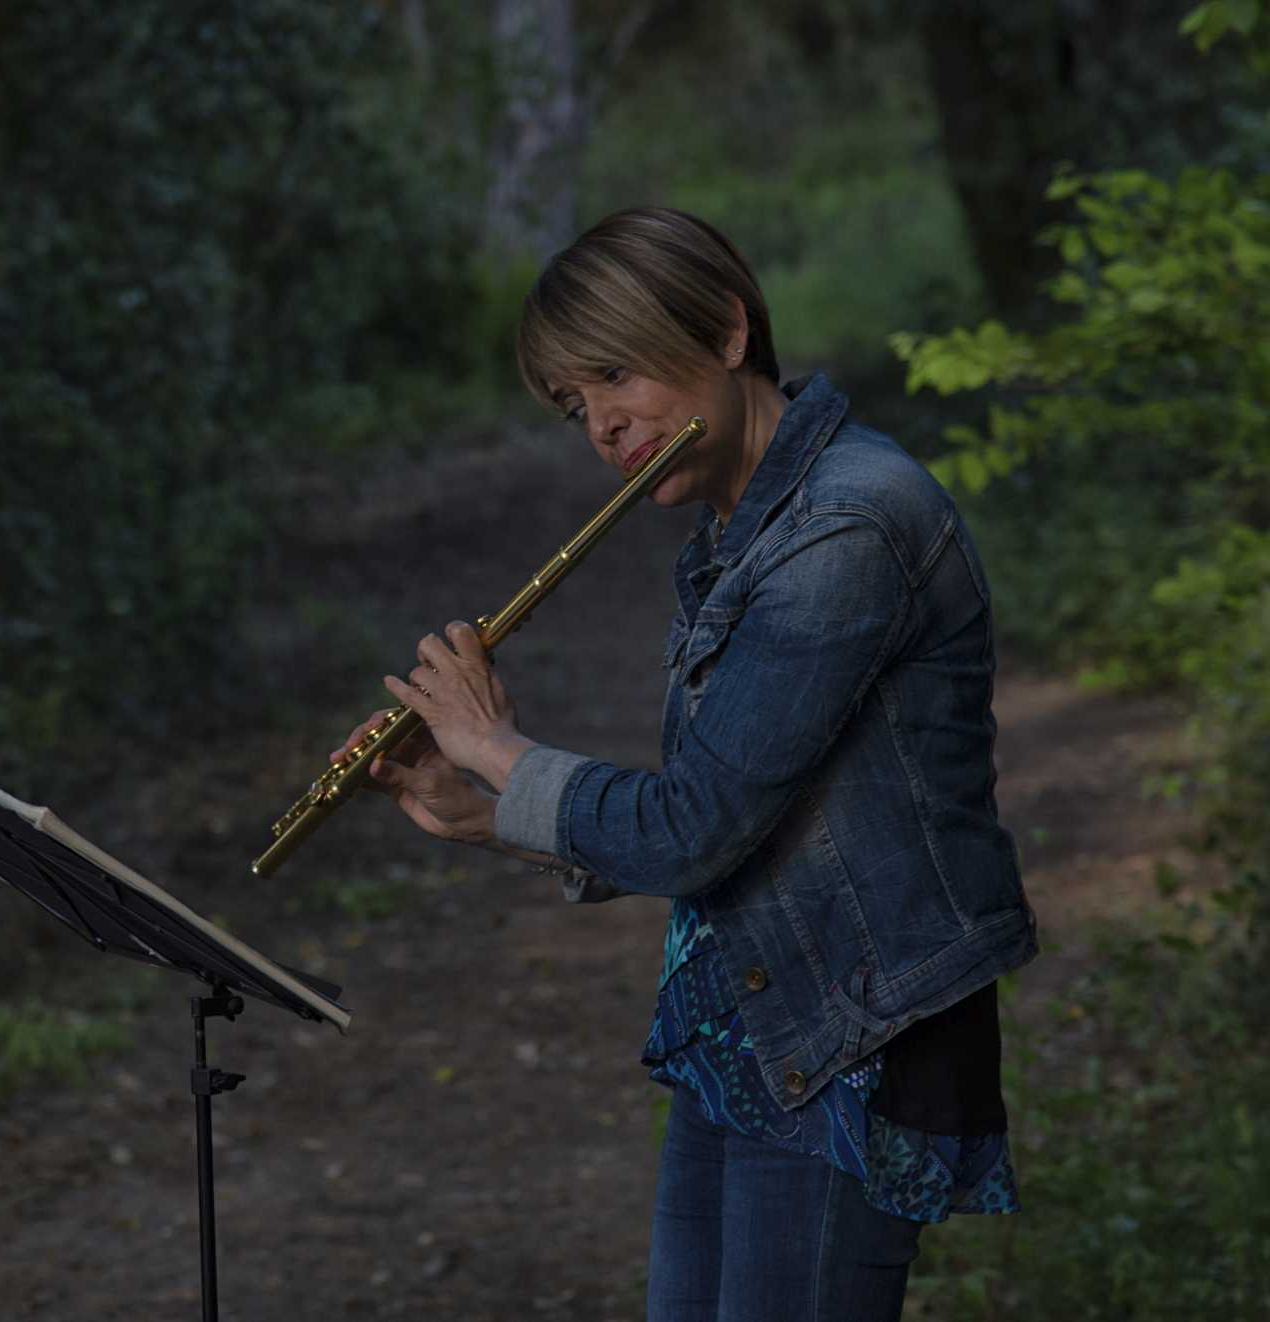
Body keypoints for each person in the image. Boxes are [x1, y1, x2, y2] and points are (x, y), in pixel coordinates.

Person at [335, 207, 1037, 1321]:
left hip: (851, 1042)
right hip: (748, 1025)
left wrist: (495, 743)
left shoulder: (849, 523)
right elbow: (732, 824)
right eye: (577, 406)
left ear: (723, 330)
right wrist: (478, 808)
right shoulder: (742, 530)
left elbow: (695, 825)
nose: (607, 427)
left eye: (616, 375)